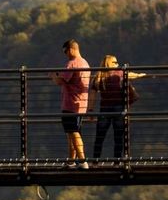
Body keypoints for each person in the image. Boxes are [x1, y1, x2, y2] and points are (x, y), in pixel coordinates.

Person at [89, 55, 145, 160]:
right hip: (118, 109)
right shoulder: (119, 73)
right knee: (118, 136)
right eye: (115, 62)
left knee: (100, 136)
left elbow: (92, 95)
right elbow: (130, 75)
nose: (117, 63)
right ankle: (117, 161)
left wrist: (90, 110)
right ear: (109, 63)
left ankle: (95, 161)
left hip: (104, 110)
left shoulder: (98, 77)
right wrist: (140, 75)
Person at [52, 39, 91, 168]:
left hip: (70, 103)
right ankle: (71, 160)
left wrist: (53, 75)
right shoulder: (85, 63)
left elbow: (60, 81)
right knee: (72, 132)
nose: (66, 54)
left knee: (73, 132)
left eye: (66, 51)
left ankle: (82, 160)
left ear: (72, 49)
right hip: (81, 103)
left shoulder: (72, 64)